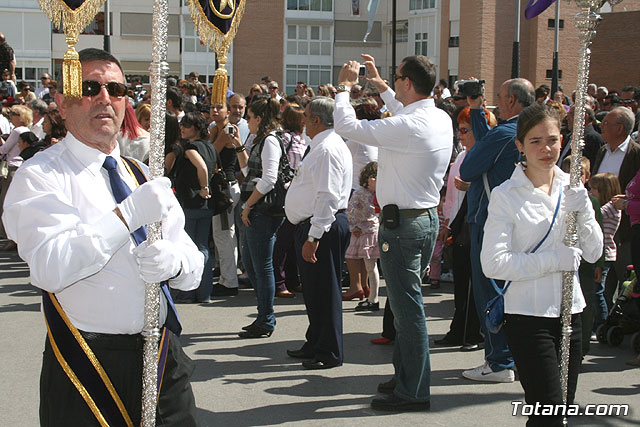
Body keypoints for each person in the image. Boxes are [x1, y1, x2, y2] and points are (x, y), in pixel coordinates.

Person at [1, 48, 202, 426]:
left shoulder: (142, 175)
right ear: (62, 102)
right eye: (90, 87)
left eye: (116, 89)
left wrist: (175, 262)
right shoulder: (40, 175)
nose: (104, 98)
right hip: (86, 360)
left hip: (161, 356)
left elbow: (194, 267)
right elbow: (51, 267)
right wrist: (126, 216)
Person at [334, 54, 452, 411]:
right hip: (421, 218)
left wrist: (344, 88)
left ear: (408, 83)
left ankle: (413, 390)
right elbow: (403, 110)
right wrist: (381, 85)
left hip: (404, 226)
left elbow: (348, 126)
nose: (394, 81)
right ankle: (406, 377)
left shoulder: (411, 124)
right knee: (405, 309)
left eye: (397, 77)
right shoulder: (436, 115)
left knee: (408, 311)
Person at [481, 103, 603, 427]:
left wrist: (585, 210)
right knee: (549, 411)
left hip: (572, 312)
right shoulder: (506, 195)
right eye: (535, 141)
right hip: (528, 317)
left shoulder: (573, 189)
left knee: (560, 412)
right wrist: (553, 261)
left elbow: (593, 252)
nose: (545, 149)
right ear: (519, 145)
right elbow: (493, 263)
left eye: (551, 139)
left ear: (562, 140)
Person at [459, 77, 535, 383]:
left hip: (491, 222)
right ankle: (511, 357)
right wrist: (476, 110)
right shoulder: (531, 130)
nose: (496, 102)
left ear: (513, 101)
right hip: (523, 220)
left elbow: (468, 167)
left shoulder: (505, 131)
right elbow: (489, 144)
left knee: (490, 293)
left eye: (501, 97)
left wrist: (478, 116)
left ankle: (499, 362)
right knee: (513, 292)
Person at [285, 96, 352, 369]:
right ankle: (316, 342)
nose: (302, 120)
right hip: (316, 224)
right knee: (314, 292)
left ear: (316, 120)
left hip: (322, 225)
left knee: (325, 292)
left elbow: (327, 195)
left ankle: (329, 352)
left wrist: (313, 236)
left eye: (305, 115)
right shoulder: (321, 145)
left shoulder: (327, 149)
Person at [232, 98, 286, 338]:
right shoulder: (259, 141)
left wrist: (248, 206)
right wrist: (238, 147)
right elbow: (249, 173)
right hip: (256, 209)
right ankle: (264, 315)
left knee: (261, 267)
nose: (247, 122)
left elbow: (269, 180)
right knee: (253, 266)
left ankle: (266, 319)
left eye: (250, 117)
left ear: (260, 118)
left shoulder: (270, 141)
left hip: (263, 211)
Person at [173, 111, 217, 303]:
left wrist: (203, 187)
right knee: (202, 247)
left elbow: (203, 168)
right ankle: (204, 291)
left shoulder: (191, 148)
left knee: (191, 248)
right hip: (206, 205)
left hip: (192, 201)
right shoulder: (210, 147)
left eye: (187, 125)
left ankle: (189, 291)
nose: (182, 128)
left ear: (196, 129)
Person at [272, 104, 307, 298]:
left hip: (299, 193)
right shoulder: (285, 138)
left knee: (294, 240)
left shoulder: (302, 138)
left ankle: (294, 279)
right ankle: (280, 282)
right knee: (283, 242)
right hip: (286, 192)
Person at [208, 100, 241, 297]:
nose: (214, 110)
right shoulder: (217, 129)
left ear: (227, 111)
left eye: (218, 107)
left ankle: (229, 282)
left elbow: (211, 153)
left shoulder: (227, 131)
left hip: (225, 189)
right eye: (212, 107)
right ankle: (227, 278)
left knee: (224, 235)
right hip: (223, 187)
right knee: (226, 234)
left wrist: (215, 137)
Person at [588, 172, 621, 335]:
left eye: (594, 189)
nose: (591, 192)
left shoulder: (609, 208)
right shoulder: (609, 207)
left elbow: (592, 216)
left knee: (597, 291)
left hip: (605, 254)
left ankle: (601, 323)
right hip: (604, 253)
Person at [345, 161, 380, 311]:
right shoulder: (380, 192)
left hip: (367, 231)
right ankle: (371, 295)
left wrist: (353, 226)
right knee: (371, 267)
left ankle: (373, 298)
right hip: (375, 229)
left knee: (371, 267)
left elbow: (350, 210)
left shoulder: (360, 192)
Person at [0, 104, 32, 249]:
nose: (10, 116)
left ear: (21, 117)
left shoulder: (17, 130)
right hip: (20, 167)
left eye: (13, 114)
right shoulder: (25, 130)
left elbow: (5, 149)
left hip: (13, 168)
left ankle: (11, 238)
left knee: (6, 203)